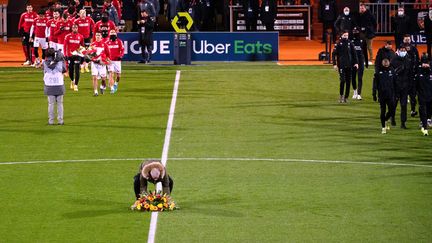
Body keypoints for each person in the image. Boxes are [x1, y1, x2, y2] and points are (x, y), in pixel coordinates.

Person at [332, 30, 359, 103]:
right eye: (345, 35)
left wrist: (356, 63)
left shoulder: (350, 43)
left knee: (348, 81)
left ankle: (346, 97)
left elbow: (354, 53)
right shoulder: (338, 43)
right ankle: (341, 95)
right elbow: (333, 54)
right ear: (341, 35)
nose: (346, 37)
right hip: (341, 65)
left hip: (349, 65)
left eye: (347, 35)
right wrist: (334, 64)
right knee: (343, 80)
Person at [43, 48, 67, 125]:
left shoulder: (45, 62)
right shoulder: (59, 62)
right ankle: (60, 121)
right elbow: (64, 70)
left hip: (49, 85)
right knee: (60, 103)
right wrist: (60, 59)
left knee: (51, 104)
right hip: (59, 84)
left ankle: (51, 121)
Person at [372, 58, 396, 134]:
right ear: (382, 63)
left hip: (390, 94)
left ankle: (385, 120)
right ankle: (383, 127)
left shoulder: (392, 71)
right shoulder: (378, 72)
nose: (386, 63)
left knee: (392, 110)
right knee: (383, 111)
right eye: (384, 62)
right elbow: (375, 84)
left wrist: (396, 93)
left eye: (387, 62)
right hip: (382, 95)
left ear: (389, 63)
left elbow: (395, 82)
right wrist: (374, 94)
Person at [391, 46, 412, 129]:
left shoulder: (408, 59)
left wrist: (410, 86)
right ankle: (392, 117)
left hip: (405, 86)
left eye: (404, 50)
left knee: (404, 105)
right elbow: (392, 72)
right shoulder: (394, 59)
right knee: (394, 104)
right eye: (401, 50)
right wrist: (398, 70)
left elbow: (410, 73)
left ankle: (403, 123)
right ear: (398, 50)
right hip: (396, 86)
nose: (403, 51)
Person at [402, 34, 420, 118]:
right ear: (403, 40)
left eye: (408, 39)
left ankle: (413, 110)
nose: (407, 41)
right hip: (403, 77)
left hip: (412, 76)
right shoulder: (400, 49)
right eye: (406, 39)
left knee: (413, 95)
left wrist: (416, 72)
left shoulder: (414, 49)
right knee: (402, 96)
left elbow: (417, 61)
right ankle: (402, 114)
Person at [64, 24, 85, 92]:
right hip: (70, 56)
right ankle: (72, 81)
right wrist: (65, 55)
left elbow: (82, 47)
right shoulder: (67, 36)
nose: (75, 29)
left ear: (78, 28)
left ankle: (76, 85)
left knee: (77, 70)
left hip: (77, 56)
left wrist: (82, 57)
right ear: (72, 28)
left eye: (76, 28)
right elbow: (65, 46)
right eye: (73, 28)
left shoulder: (81, 36)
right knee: (70, 70)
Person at [89, 32, 111, 96]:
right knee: (94, 77)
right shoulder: (92, 45)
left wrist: (107, 60)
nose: (97, 36)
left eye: (99, 35)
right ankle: (95, 92)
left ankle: (102, 87)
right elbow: (89, 55)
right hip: (94, 63)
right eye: (96, 35)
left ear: (101, 36)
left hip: (102, 64)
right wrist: (91, 58)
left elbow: (108, 54)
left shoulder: (105, 45)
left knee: (103, 79)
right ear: (95, 36)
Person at [416, 53, 432, 136]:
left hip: (430, 96)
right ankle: (424, 126)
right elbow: (415, 86)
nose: (425, 65)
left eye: (427, 63)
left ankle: (428, 120)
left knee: (429, 109)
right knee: (423, 111)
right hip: (422, 96)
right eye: (424, 63)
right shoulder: (419, 75)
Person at [351, 27, 368, 100]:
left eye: (356, 31)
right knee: (353, 77)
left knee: (360, 77)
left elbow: (365, 51)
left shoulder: (363, 40)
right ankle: (355, 91)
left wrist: (366, 62)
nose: (355, 32)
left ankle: (359, 93)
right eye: (354, 31)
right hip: (353, 61)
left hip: (360, 61)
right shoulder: (351, 40)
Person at [106, 29, 124, 93]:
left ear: (116, 34)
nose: (113, 33)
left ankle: (116, 83)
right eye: (111, 32)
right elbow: (104, 52)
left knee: (118, 75)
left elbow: (122, 49)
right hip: (110, 61)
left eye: (114, 32)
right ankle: (112, 88)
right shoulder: (107, 43)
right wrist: (106, 58)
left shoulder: (119, 41)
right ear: (109, 34)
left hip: (117, 61)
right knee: (111, 74)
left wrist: (120, 56)